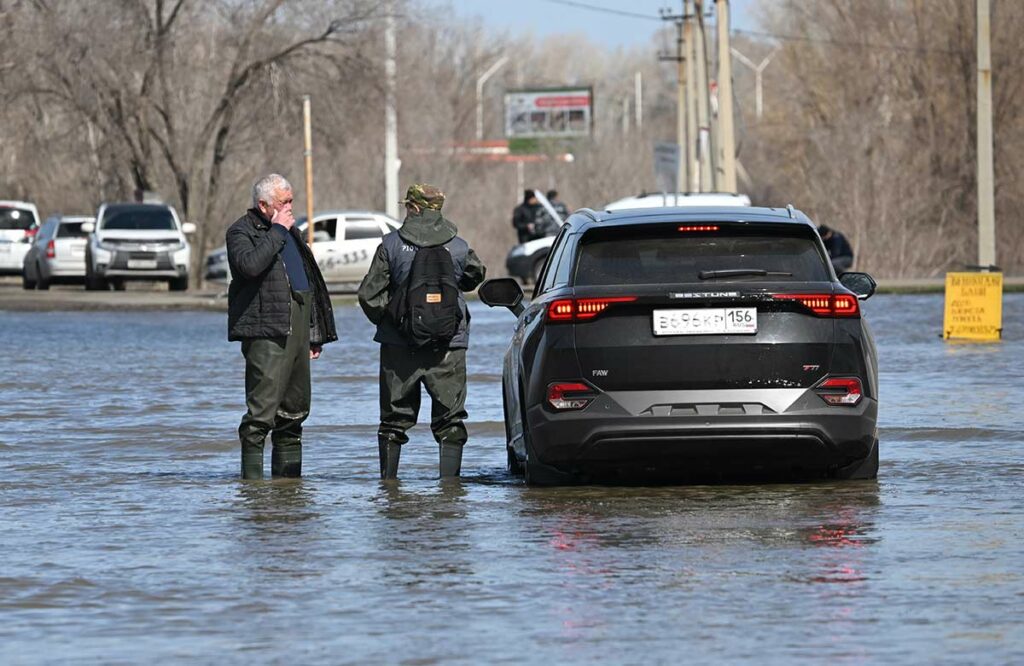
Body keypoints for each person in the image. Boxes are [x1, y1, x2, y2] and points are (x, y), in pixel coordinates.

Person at [357, 184, 486, 480]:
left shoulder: (390, 245)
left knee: (393, 422)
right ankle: (450, 490)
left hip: (399, 348)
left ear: (414, 208)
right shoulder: (459, 245)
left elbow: (368, 295)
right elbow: (475, 275)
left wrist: (393, 322)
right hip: (449, 345)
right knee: (450, 419)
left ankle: (389, 489)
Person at [226, 173, 337, 480]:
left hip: (298, 329)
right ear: (263, 205)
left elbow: (307, 281)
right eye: (283, 202)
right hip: (265, 332)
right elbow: (249, 266)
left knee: (295, 411)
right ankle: (253, 490)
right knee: (261, 415)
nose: (290, 207)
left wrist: (315, 335)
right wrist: (277, 230)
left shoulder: (291, 232)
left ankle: (289, 490)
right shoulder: (241, 232)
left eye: (291, 200)